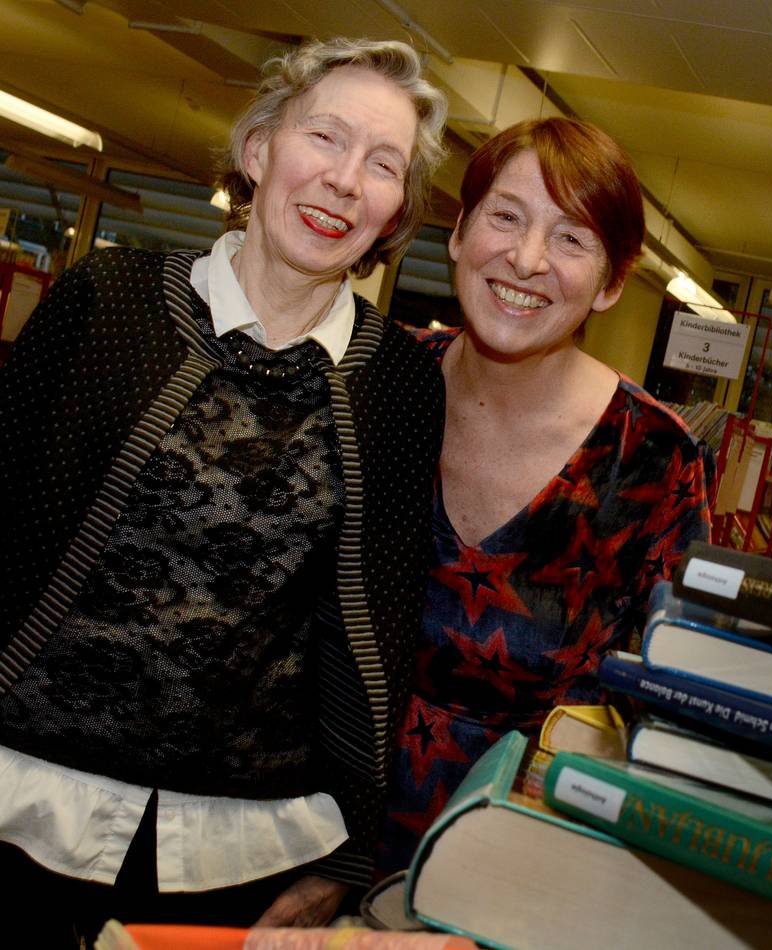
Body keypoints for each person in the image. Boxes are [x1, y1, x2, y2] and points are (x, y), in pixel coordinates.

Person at [0, 37, 447, 944]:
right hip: (19, 794)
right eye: (325, 137)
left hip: (236, 846)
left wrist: (347, 852)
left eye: (383, 164)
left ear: (396, 209)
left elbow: (379, 622)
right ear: (258, 150)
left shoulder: (398, 384)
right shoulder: (107, 299)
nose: (345, 181)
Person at [379, 117, 714, 872]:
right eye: (506, 217)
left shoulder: (653, 460)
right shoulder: (378, 382)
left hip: (522, 859)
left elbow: (675, 701)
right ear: (459, 232)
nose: (527, 260)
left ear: (612, 284)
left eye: (571, 239)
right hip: (308, 822)